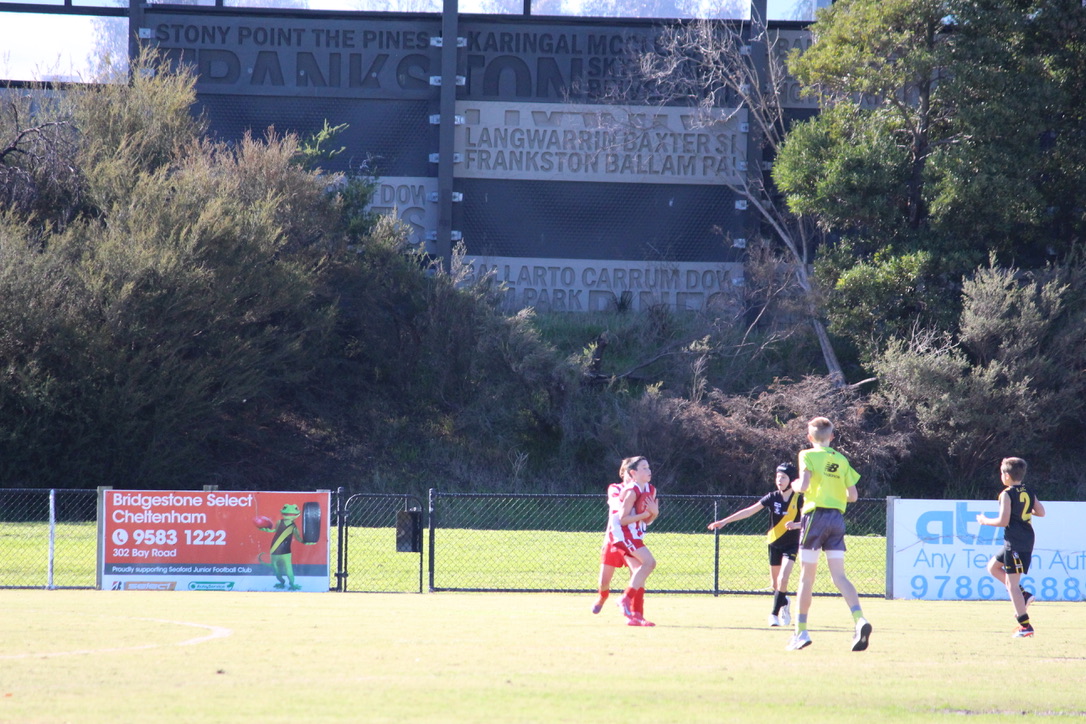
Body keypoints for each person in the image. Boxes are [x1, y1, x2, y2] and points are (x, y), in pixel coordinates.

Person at [786, 417, 872, 652]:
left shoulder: (807, 455)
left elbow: (804, 486)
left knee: (806, 578)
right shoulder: (842, 460)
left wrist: (794, 485)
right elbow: (853, 496)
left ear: (809, 437)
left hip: (815, 517)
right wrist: (833, 493)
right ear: (832, 437)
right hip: (836, 519)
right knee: (839, 577)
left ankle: (801, 631)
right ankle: (859, 620)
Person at [707, 462, 802, 627]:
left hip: (791, 545)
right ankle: (784, 601)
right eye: (778, 477)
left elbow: (811, 520)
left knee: (783, 578)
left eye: (783, 477)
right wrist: (724, 521)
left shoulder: (799, 499)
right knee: (775, 585)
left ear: (791, 480)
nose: (779, 480)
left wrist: (796, 525)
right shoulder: (772, 497)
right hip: (774, 543)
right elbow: (749, 511)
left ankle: (773, 615)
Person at [976, 457, 1045, 638]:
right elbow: (1041, 512)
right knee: (993, 567)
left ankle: (1025, 626)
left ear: (1006, 475)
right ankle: (1024, 595)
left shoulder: (1006, 494)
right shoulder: (1028, 490)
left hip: (1015, 541)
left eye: (1001, 473)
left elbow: (1003, 521)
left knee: (1011, 585)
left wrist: (984, 521)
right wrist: (1023, 510)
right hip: (1025, 539)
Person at [592, 456, 659, 626]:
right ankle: (604, 597)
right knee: (604, 582)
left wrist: (654, 513)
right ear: (628, 473)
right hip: (617, 537)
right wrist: (643, 512)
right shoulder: (619, 489)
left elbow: (646, 520)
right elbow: (621, 516)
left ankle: (636, 615)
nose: (648, 471)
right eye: (643, 468)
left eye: (648, 467)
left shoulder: (649, 489)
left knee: (639, 571)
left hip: (634, 537)